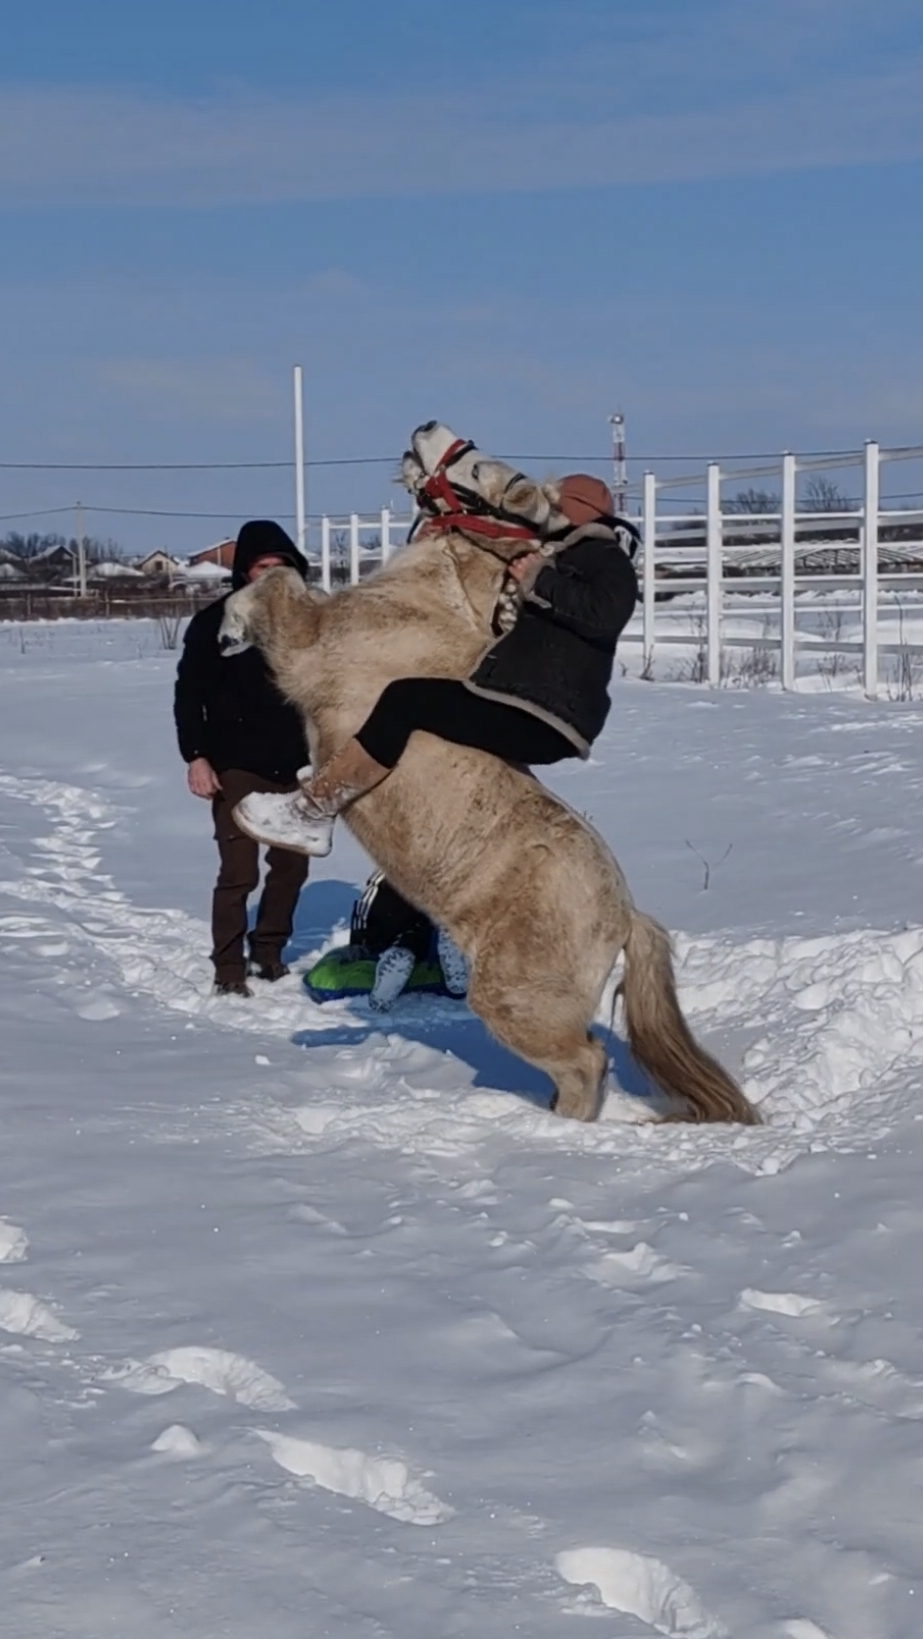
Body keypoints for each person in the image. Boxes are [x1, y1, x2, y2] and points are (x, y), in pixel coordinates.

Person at [239, 474, 637, 856]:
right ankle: (348, 775)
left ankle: (313, 810)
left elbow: (606, 615)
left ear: (575, 511)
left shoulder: (604, 556)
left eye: (552, 504)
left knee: (406, 699)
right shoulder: (567, 557)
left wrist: (538, 577)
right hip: (535, 705)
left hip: (546, 713)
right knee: (423, 704)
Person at [174, 520, 311, 996]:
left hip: (299, 767)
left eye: (281, 566)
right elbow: (189, 696)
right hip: (235, 765)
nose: (272, 575)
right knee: (239, 873)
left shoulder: (312, 621)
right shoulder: (214, 623)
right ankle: (228, 966)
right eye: (261, 566)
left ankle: (269, 952)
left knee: (292, 867)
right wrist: (197, 757)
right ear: (245, 572)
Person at [348, 870, 468, 1012]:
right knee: (439, 931)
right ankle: (455, 974)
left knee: (424, 937)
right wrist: (357, 941)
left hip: (417, 927)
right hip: (403, 927)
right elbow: (368, 899)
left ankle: (400, 960)